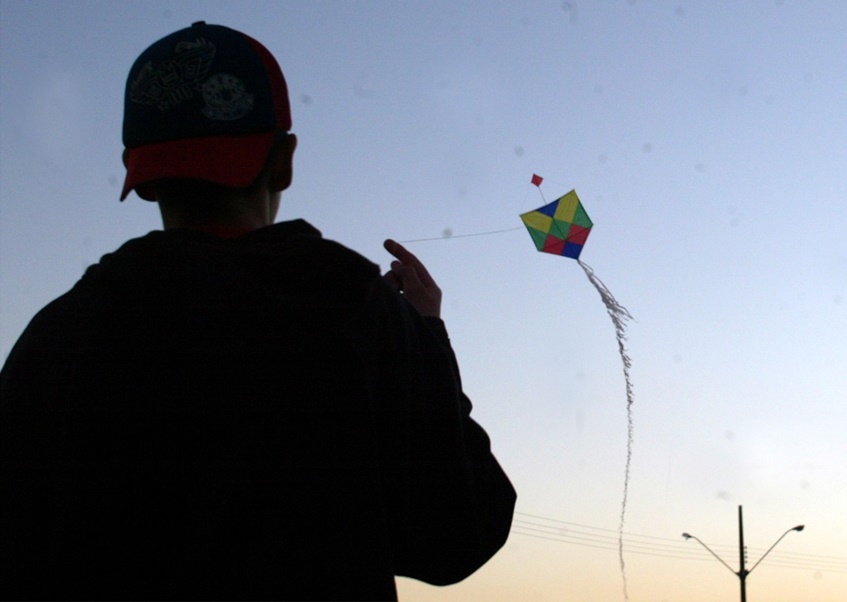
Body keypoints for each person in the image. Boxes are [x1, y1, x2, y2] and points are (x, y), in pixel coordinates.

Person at [0, 22, 515, 601]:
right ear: (284, 163)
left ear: (141, 177)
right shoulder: (360, 317)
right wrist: (427, 336)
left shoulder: (58, 338)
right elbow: (463, 531)